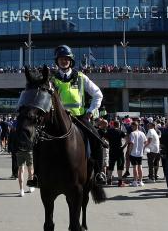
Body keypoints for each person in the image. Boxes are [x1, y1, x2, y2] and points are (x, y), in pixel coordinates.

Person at [49, 45, 106, 186]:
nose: (64, 61)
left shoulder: (80, 77)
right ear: (57, 61)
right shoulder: (51, 79)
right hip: (58, 118)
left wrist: (90, 112)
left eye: (66, 59)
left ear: (71, 61)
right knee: (38, 139)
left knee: (96, 139)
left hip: (79, 118)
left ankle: (99, 172)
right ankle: (37, 175)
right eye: (61, 59)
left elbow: (98, 93)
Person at [104, 120, 128, 187]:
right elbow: (127, 139)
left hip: (112, 149)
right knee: (120, 165)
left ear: (113, 125)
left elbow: (104, 138)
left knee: (111, 165)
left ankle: (109, 180)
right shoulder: (120, 132)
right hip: (119, 150)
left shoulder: (109, 131)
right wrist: (124, 146)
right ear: (119, 125)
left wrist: (108, 144)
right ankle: (120, 181)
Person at [127, 120, 147, 187]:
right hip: (140, 152)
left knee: (135, 167)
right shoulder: (142, 133)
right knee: (140, 166)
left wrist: (129, 152)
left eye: (132, 126)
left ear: (135, 126)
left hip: (133, 152)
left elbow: (131, 143)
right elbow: (145, 142)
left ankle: (135, 181)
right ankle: (140, 181)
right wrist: (142, 148)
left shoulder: (132, 133)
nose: (131, 127)